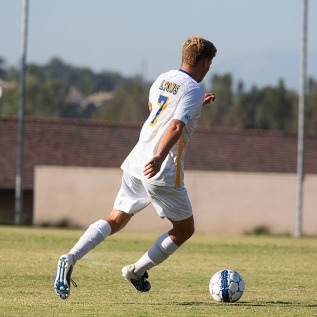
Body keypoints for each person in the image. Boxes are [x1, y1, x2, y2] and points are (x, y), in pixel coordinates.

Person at [54, 35, 217, 299]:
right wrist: (160, 156)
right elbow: (175, 125)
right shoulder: (194, 89)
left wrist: (197, 103)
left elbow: (155, 109)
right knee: (184, 229)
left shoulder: (163, 79)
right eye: (209, 65)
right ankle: (136, 271)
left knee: (115, 219)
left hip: (136, 160)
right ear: (205, 62)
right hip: (161, 168)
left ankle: (70, 256)